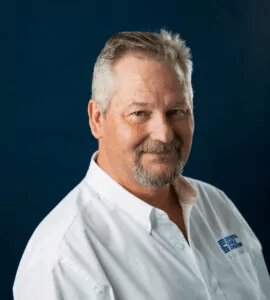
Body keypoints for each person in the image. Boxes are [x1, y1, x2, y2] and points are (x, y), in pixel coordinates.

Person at [13, 29, 270, 300]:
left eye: (177, 112)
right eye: (139, 113)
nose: (164, 134)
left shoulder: (218, 207)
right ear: (97, 119)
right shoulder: (63, 260)